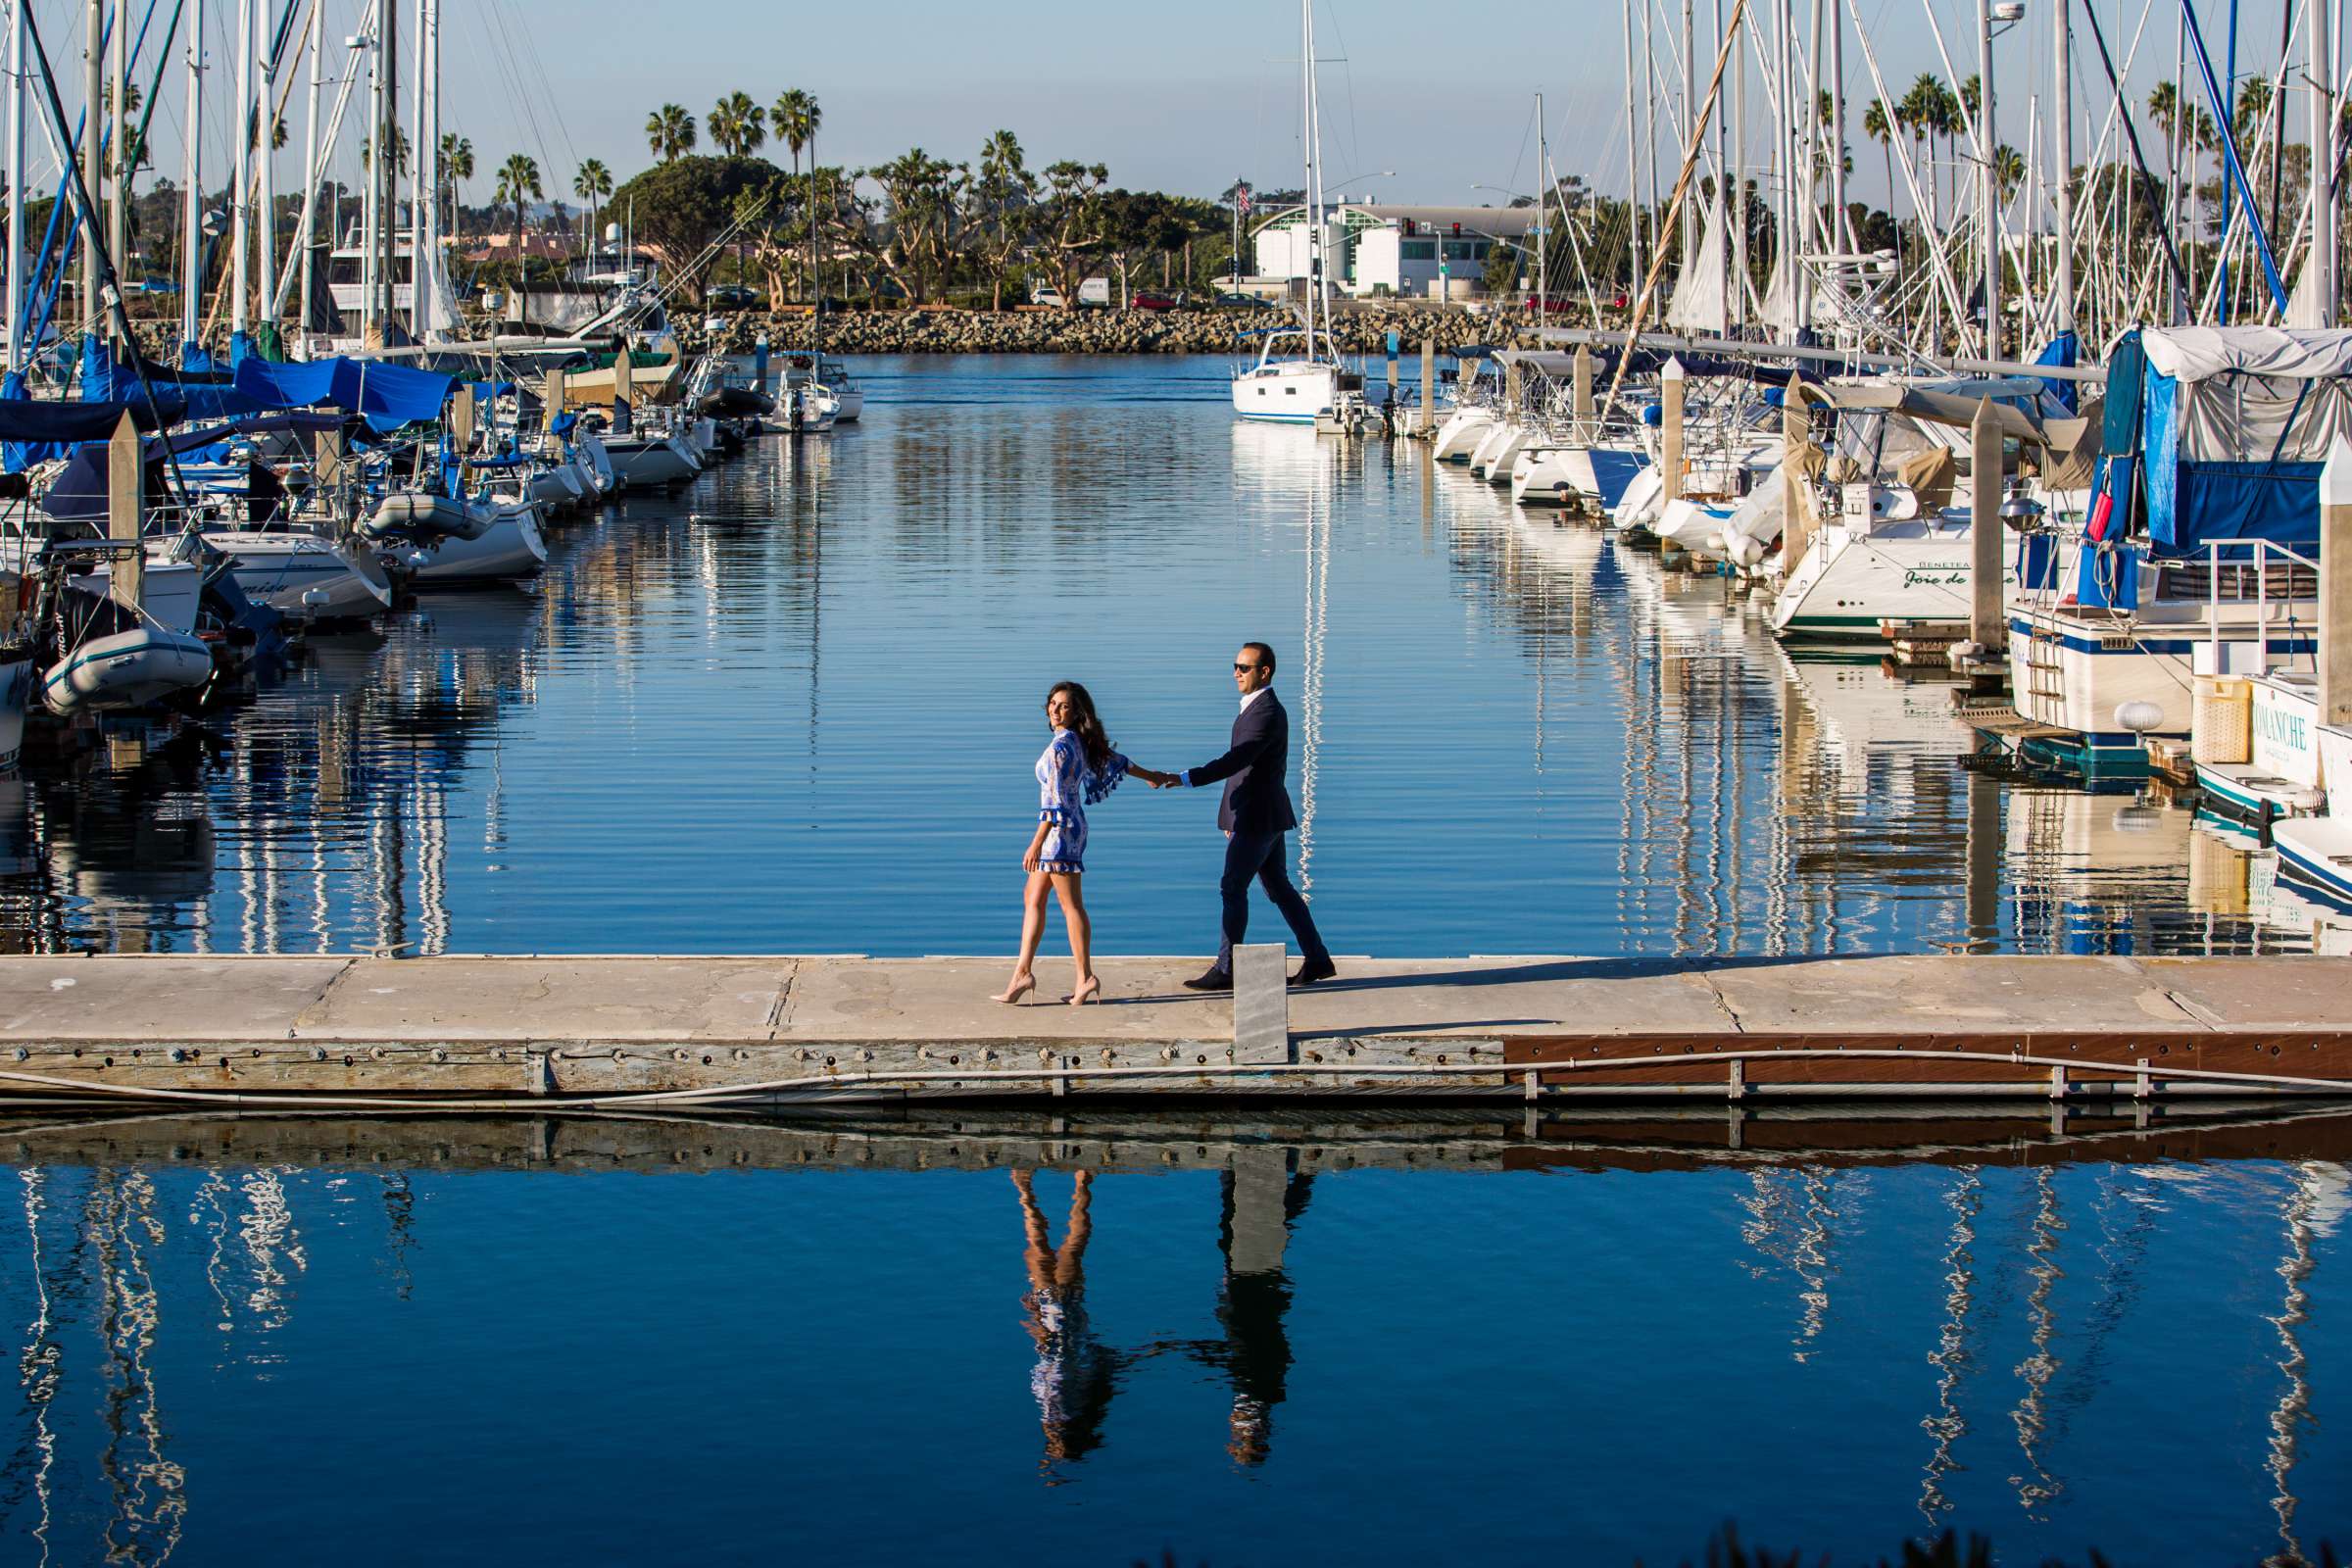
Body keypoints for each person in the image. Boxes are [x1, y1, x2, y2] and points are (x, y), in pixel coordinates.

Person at [1156, 643, 1336, 990]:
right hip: (1262, 815)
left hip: (1257, 818)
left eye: (1244, 667)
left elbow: (1236, 761)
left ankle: (1227, 969)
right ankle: (1317, 959)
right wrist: (1229, 818)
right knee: (1279, 889)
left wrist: (1184, 778)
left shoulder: (1265, 712)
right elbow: (1246, 771)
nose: (1236, 672)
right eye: (1235, 666)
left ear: (1264, 671)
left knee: (1233, 887)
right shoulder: (1256, 708)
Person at [995, 681, 1174, 1005]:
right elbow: (1116, 760)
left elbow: (1056, 801)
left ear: (1077, 712)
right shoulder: (1078, 742)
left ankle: (1085, 978)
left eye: (1064, 705)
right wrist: (1153, 776)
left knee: (1069, 904)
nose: (1056, 709)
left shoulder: (1061, 750)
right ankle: (1023, 973)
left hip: (1059, 831)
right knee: (1033, 896)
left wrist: (1035, 843)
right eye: (1052, 703)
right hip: (1069, 827)